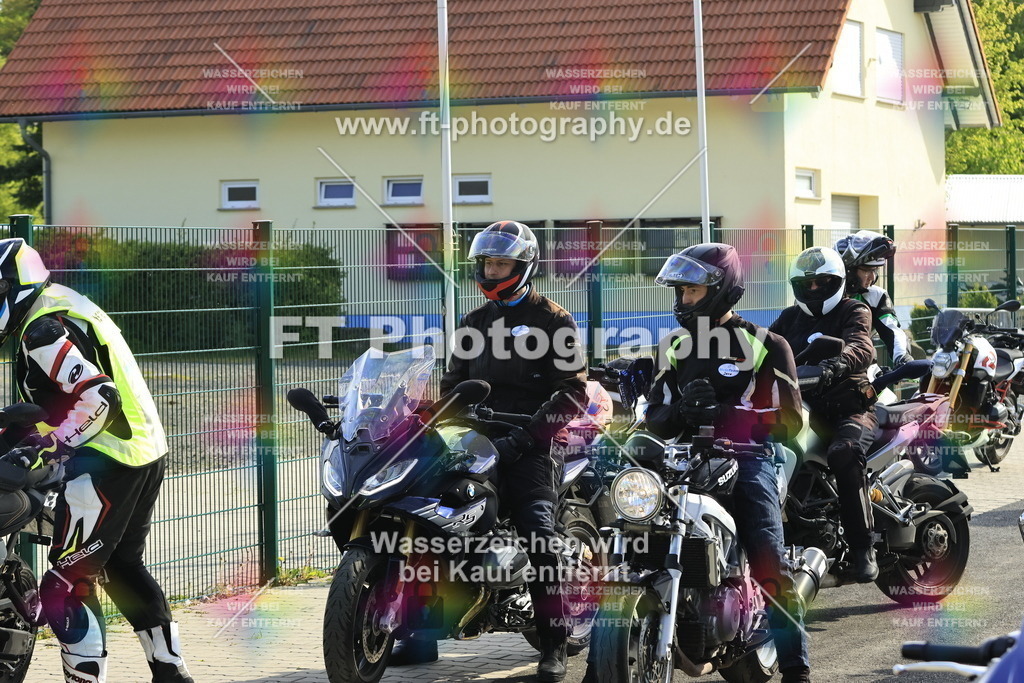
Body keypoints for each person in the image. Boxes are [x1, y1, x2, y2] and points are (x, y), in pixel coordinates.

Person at [391, 220, 586, 682]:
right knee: (425, 517)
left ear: (524, 266)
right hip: (475, 441)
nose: (492, 271)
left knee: (538, 533)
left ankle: (553, 644)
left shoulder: (554, 321)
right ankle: (420, 634)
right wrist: (421, 417)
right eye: (487, 263)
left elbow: (573, 394)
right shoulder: (473, 323)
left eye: (501, 263)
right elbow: (454, 388)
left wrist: (524, 439)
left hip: (533, 444)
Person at [0, 238, 192, 683]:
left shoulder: (42, 330)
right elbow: (71, 396)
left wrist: (48, 446)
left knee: (64, 584)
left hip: (104, 461)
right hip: (144, 450)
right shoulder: (63, 303)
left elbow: (99, 398)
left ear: (16, 283)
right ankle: (172, 674)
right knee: (122, 567)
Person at [630, 243, 812, 683]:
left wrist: (726, 415)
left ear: (720, 290)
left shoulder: (766, 344)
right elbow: (656, 417)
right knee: (632, 538)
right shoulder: (673, 346)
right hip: (684, 462)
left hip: (749, 460)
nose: (683, 300)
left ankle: (796, 669)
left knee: (769, 561)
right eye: (680, 291)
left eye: (691, 291)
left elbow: (791, 421)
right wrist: (681, 412)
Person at [769, 246, 880, 583]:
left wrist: (838, 363)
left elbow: (862, 345)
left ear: (839, 281)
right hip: (804, 409)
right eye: (807, 284)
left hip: (851, 408)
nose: (815, 289)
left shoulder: (854, 309)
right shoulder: (789, 318)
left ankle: (863, 546)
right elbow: (761, 347)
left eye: (822, 282)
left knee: (844, 452)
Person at [834, 230, 912, 366]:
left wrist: (902, 357)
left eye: (875, 270)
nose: (872, 277)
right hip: (819, 369)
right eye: (867, 270)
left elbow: (892, 330)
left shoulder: (876, 296)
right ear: (848, 270)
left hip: (860, 368)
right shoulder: (819, 295)